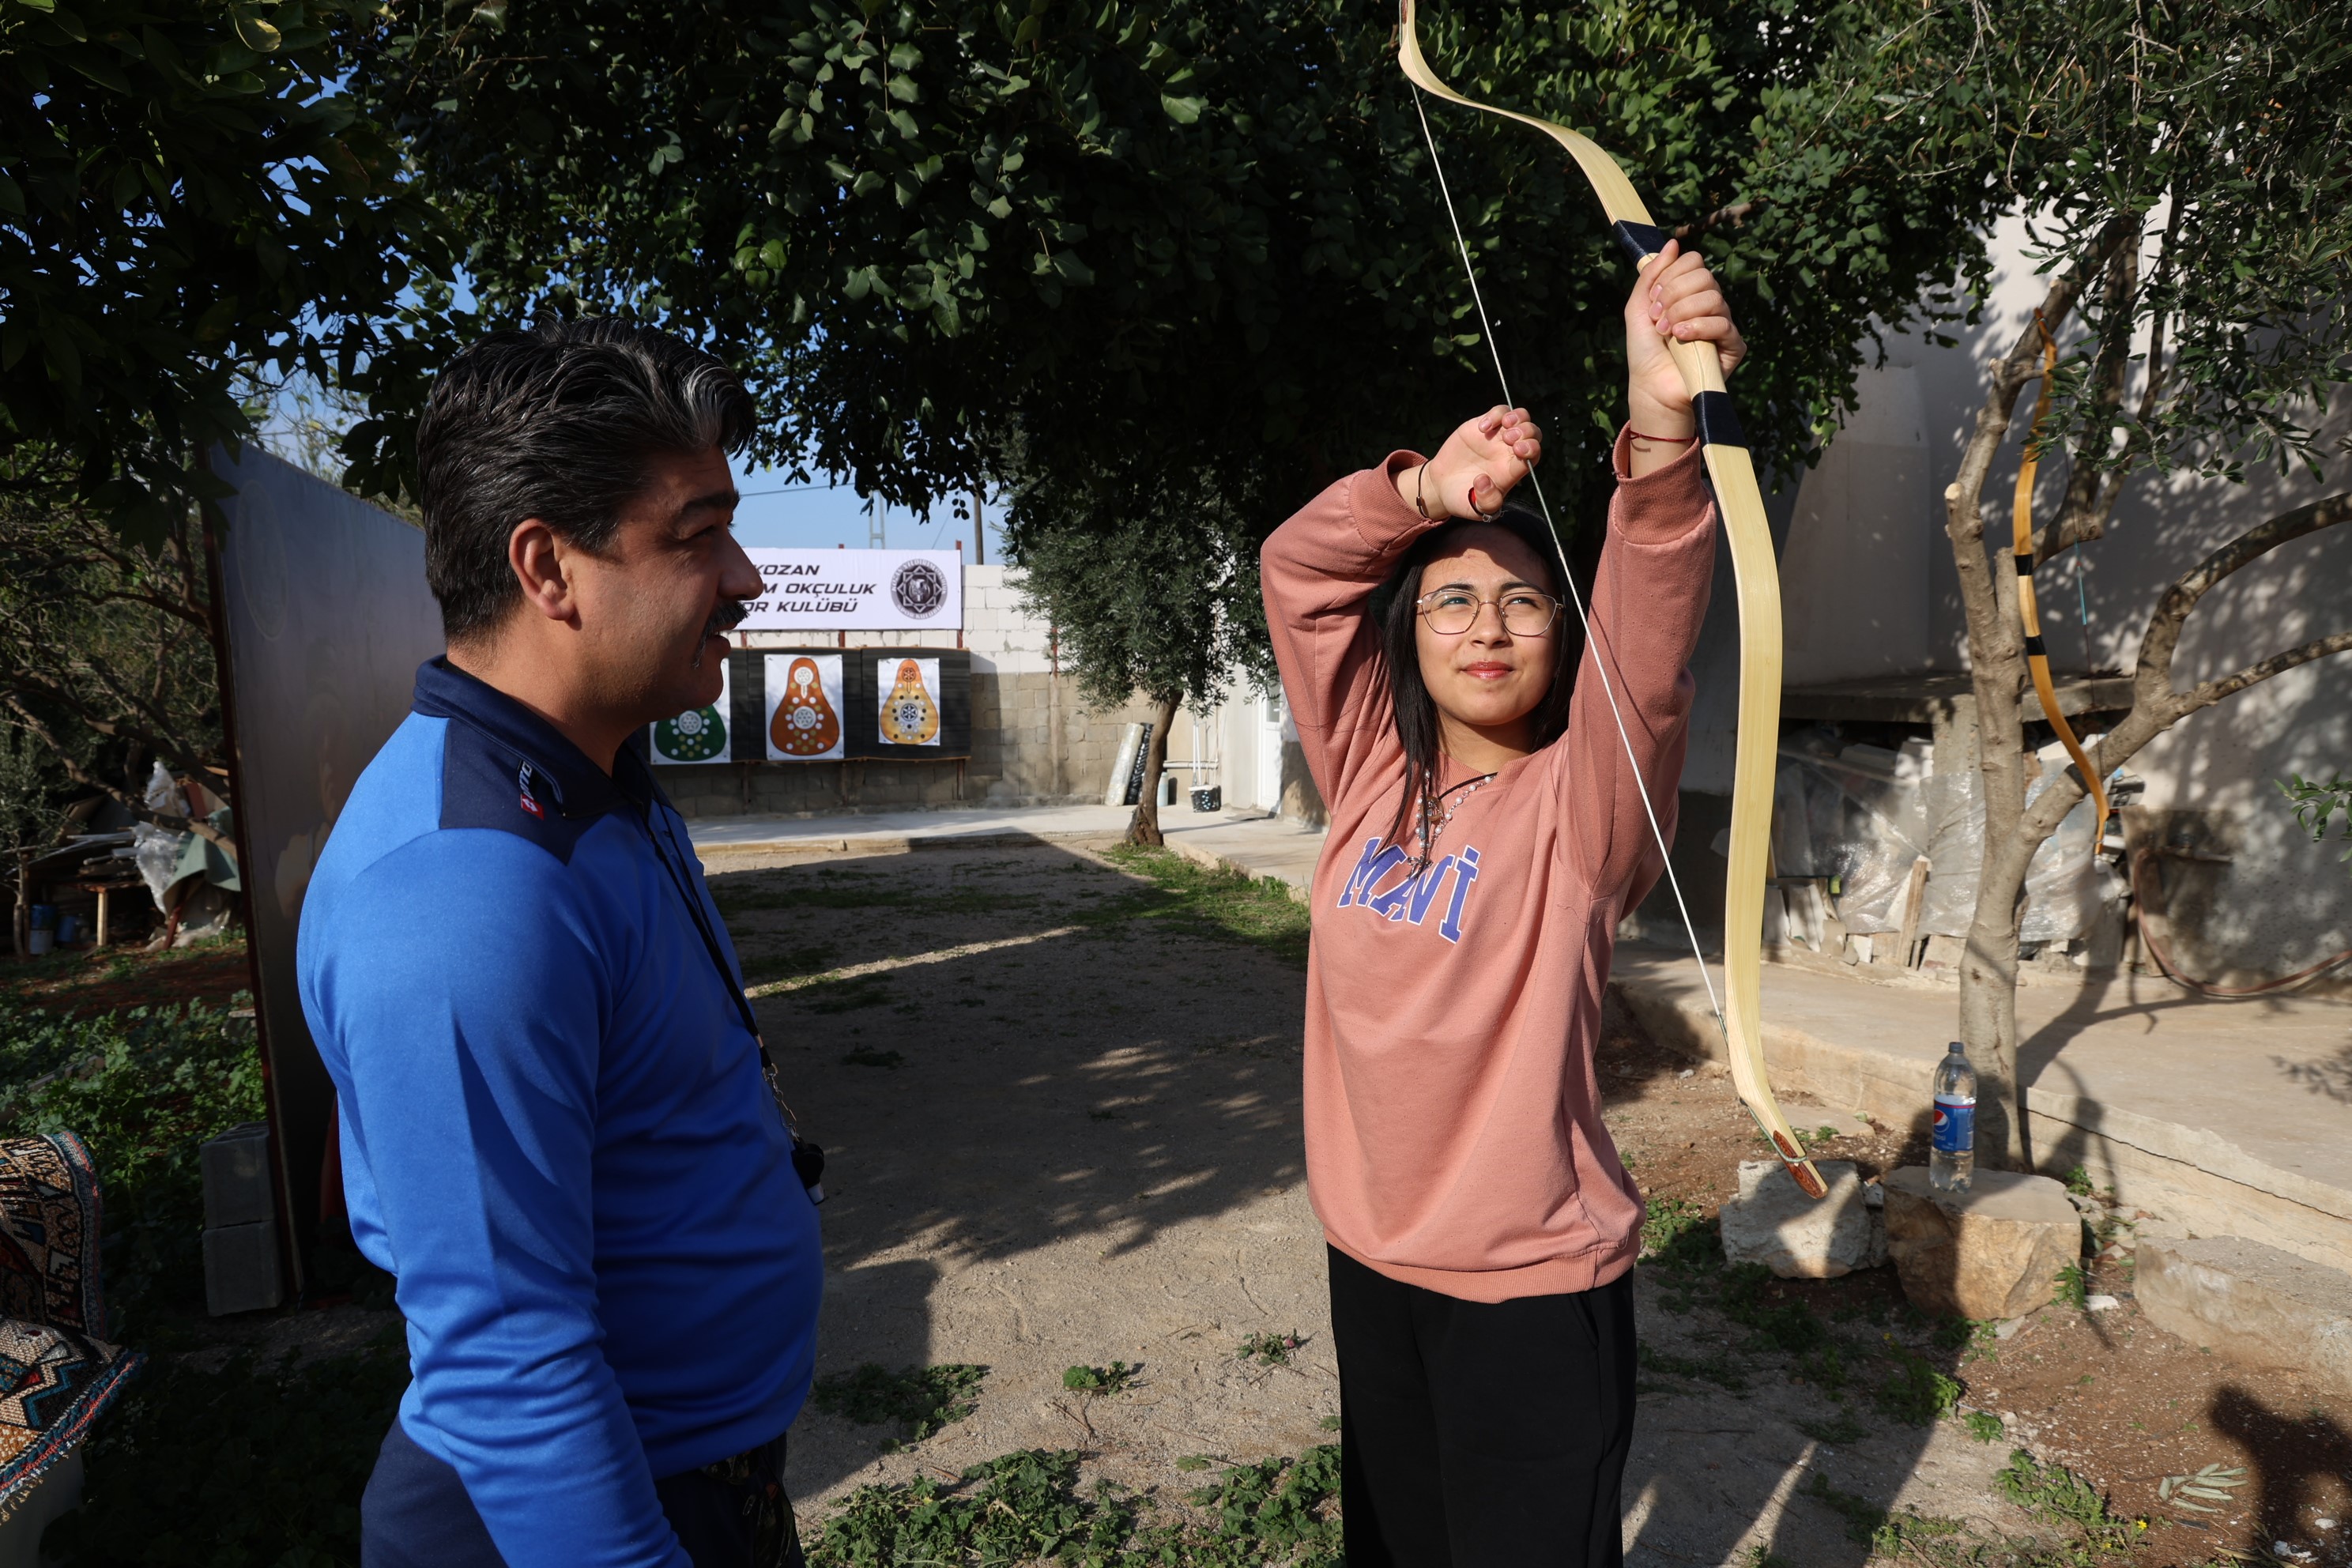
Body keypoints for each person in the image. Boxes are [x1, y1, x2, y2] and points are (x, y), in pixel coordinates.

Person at [296, 319, 822, 1568]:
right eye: (698, 535)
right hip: (580, 1517)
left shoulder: (587, 774)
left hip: (701, 1470)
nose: (747, 576)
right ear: (549, 568)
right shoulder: (464, 897)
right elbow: (507, 1362)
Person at [1259, 239, 1745, 1567]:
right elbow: (1301, 576)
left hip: (1529, 1291)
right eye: (1452, 603)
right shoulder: (1367, 770)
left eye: (1524, 604)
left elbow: (1648, 643)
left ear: (1561, 634)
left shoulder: (1582, 810)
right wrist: (1422, 488)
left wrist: (1658, 425)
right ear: (1409, 637)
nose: (1486, 628)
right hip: (1373, 1263)